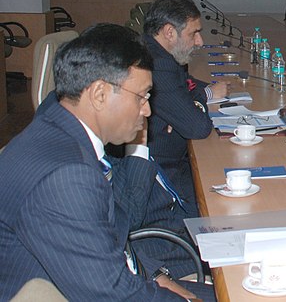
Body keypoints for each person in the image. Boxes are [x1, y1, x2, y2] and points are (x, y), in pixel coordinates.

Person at [0, 24, 200, 300]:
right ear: (99, 94)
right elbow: (111, 293)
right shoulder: (65, 175)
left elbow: (110, 242)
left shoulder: (60, 130)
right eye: (142, 96)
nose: (148, 110)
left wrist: (157, 277)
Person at [142, 0, 228, 216]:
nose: (200, 42)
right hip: (162, 172)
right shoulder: (158, 63)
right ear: (169, 32)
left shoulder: (159, 52)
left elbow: (185, 85)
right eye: (194, 33)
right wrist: (198, 102)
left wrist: (188, 101)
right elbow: (197, 127)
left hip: (170, 160)